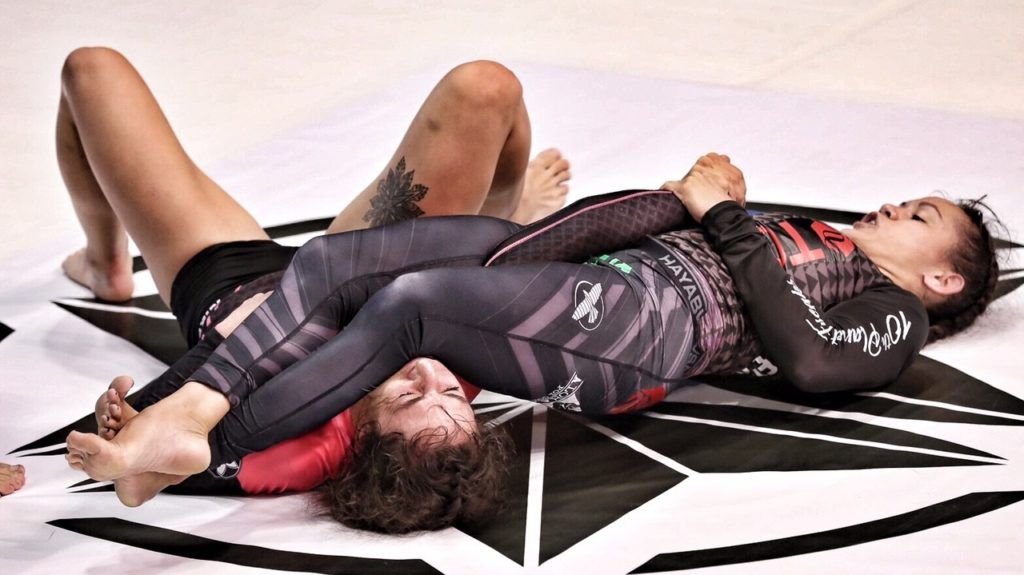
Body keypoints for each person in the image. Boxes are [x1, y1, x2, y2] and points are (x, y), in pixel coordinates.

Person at [66, 56, 1000, 527]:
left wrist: (720, 213)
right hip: (607, 280)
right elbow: (647, 226)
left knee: (408, 306)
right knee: (335, 264)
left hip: (649, 330)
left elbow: (811, 358)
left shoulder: (894, 311)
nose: (894, 206)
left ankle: (206, 436)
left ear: (943, 277)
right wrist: (549, 230)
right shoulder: (815, 240)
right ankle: (181, 413)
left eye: (920, 216)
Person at [54, 47, 570, 531]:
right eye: (454, 393)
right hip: (359, 265)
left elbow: (157, 455)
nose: (429, 370)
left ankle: (104, 264)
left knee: (90, 70)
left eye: (408, 394)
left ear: (361, 439)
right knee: (487, 88)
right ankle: (507, 218)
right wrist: (514, 242)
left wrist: (129, 434)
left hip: (236, 279)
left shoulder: (296, 452)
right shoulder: (455, 384)